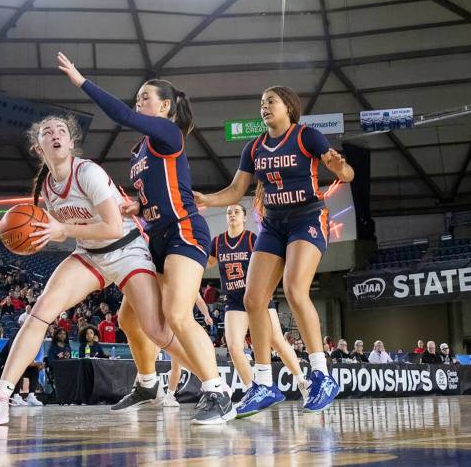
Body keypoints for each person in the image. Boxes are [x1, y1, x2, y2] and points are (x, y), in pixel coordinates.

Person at [0, 113, 196, 426]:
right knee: (40, 312)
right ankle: (0, 397)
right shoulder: (48, 187)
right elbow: (74, 230)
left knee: (156, 329)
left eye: (61, 130)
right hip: (90, 255)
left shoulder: (87, 171)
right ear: (39, 148)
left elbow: (113, 227)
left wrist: (63, 229)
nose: (55, 135)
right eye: (47, 132)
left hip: (127, 251)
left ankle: (214, 385)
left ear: (70, 141)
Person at [57, 53, 234, 424]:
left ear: (166, 106)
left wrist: (81, 81)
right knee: (127, 317)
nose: (139, 103)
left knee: (177, 314)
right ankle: (147, 382)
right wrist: (136, 205)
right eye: (138, 99)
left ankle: (218, 391)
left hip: (184, 229)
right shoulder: (140, 151)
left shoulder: (168, 133)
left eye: (145, 98)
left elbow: (122, 116)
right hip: (156, 236)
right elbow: (154, 191)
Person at [194, 85, 354, 416]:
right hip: (273, 224)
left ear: (289, 108)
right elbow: (237, 190)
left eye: (271, 101)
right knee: (254, 300)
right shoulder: (253, 148)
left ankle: (321, 375)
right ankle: (263, 383)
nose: (264, 107)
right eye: (262, 103)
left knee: (296, 290)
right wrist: (208, 199)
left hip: (307, 218)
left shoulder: (306, 136)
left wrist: (339, 168)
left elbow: (347, 174)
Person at [196, 203, 309, 413]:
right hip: (234, 300)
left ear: (245, 218)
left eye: (236, 212)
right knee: (234, 347)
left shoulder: (251, 239)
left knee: (276, 340)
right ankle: (252, 390)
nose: (231, 215)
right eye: (228, 212)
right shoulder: (218, 241)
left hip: (257, 296)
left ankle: (303, 382)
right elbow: (206, 263)